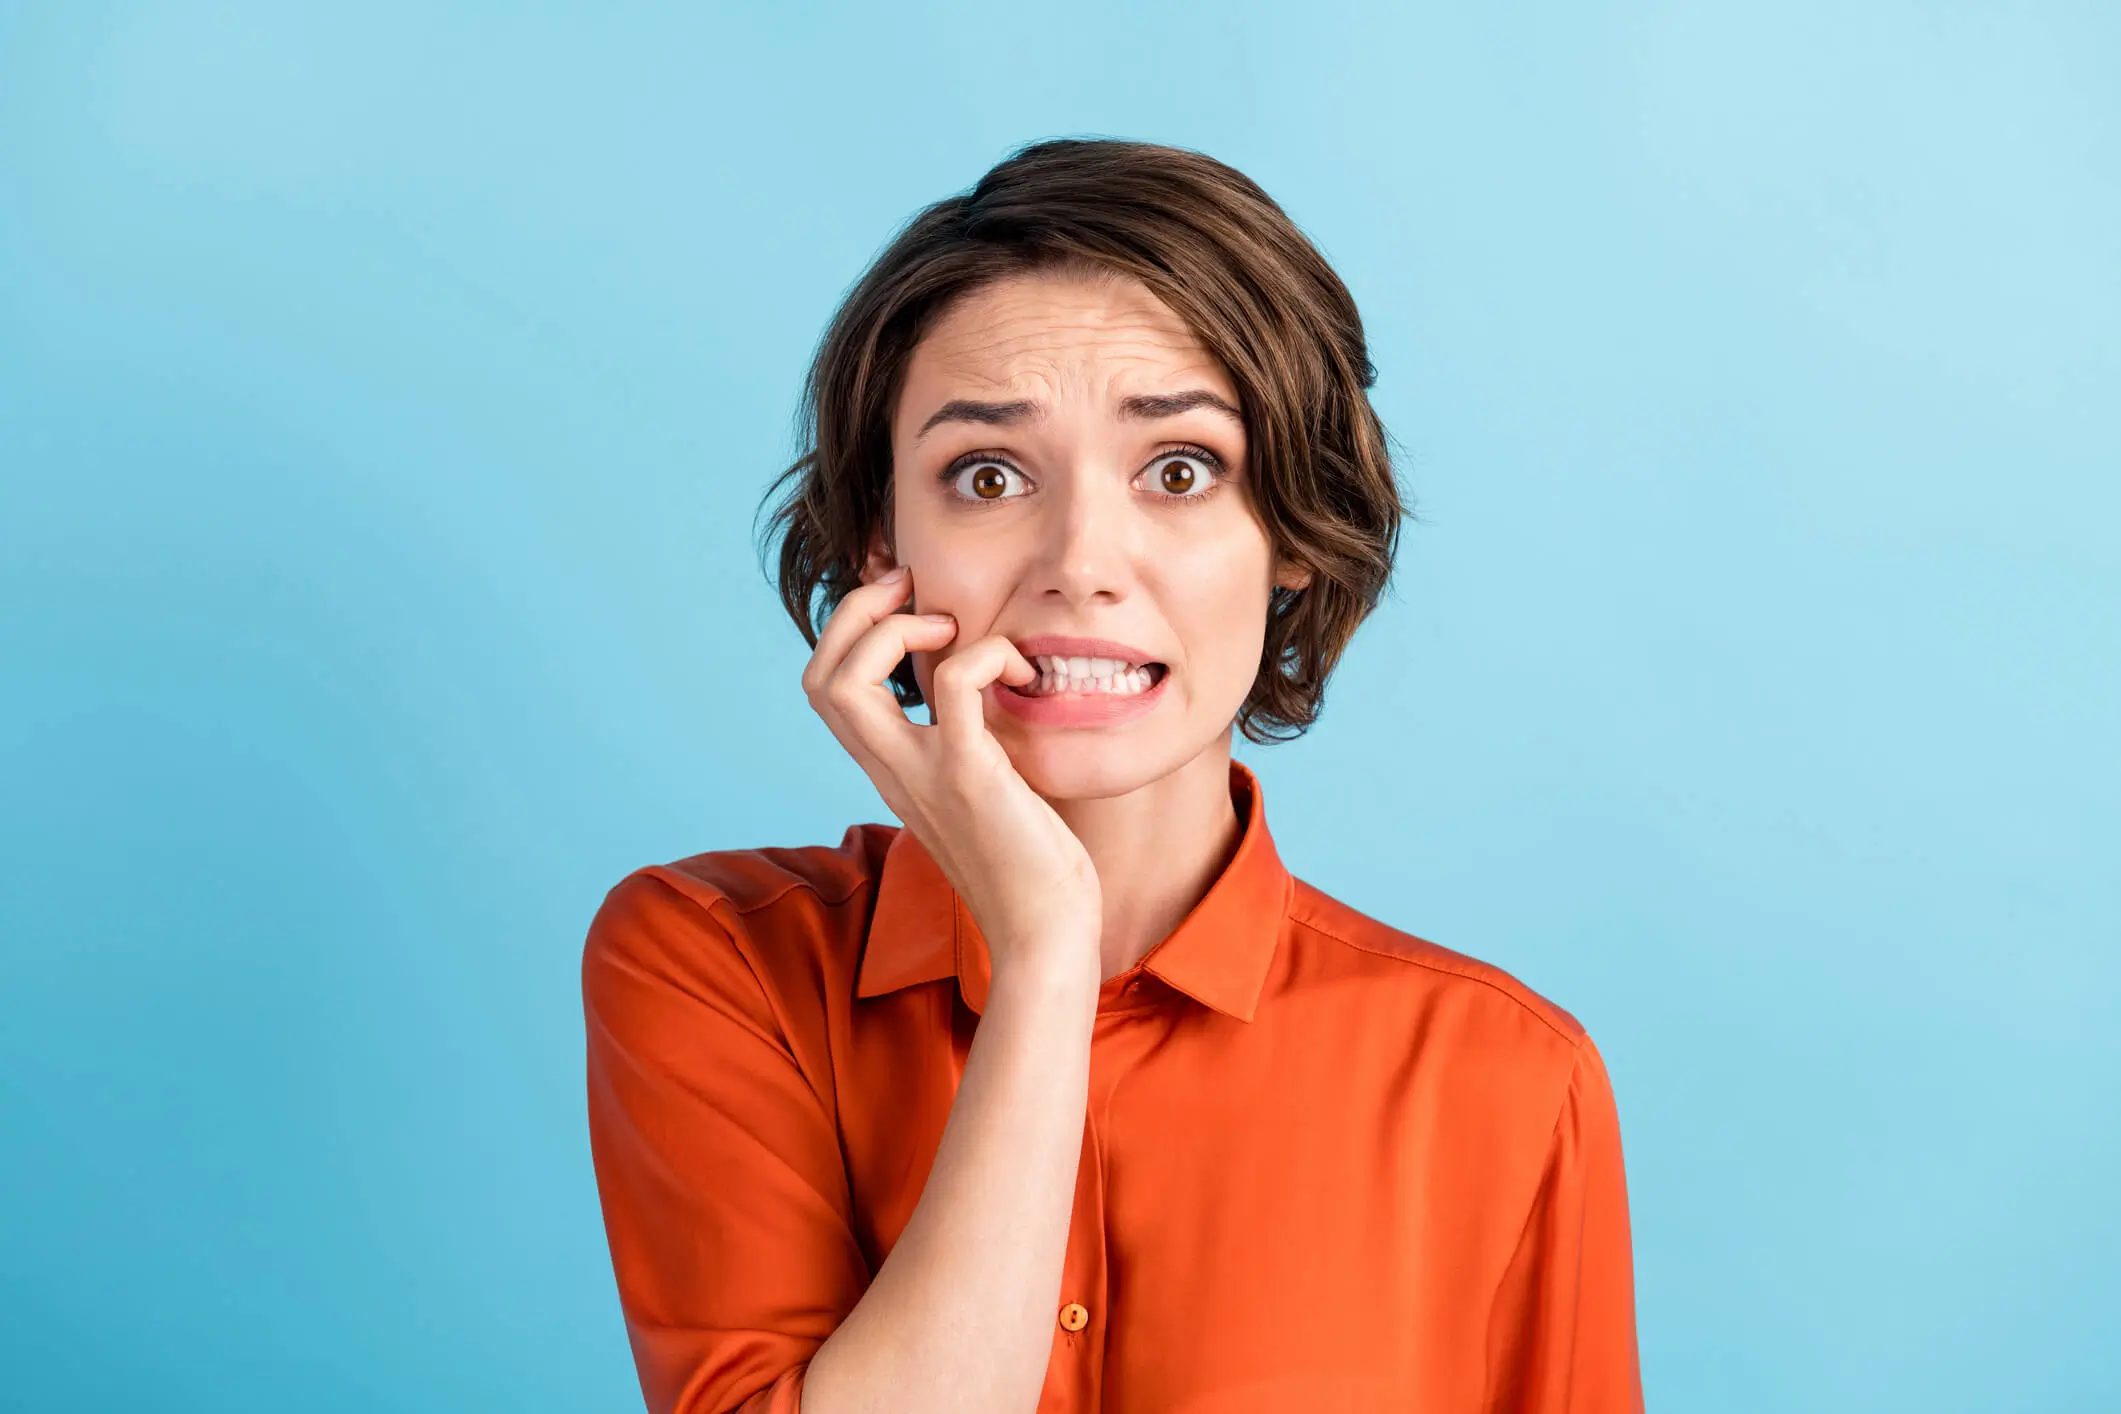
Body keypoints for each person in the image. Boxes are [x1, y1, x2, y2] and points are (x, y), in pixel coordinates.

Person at [581, 138, 1643, 1414]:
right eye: (988, 476)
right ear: (883, 546)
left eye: (1181, 472)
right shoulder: (717, 962)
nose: (1080, 560)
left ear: (1291, 534)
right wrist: (1043, 952)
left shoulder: (1504, 1077)